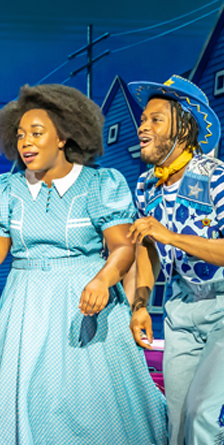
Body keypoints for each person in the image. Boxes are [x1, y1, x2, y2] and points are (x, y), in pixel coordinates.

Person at [0, 83, 167, 444]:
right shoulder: (7, 190)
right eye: (20, 135)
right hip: (25, 311)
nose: (26, 142)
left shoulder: (99, 184)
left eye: (37, 133)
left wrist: (103, 279)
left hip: (85, 302)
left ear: (64, 136)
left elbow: (122, 248)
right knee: (27, 404)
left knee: (86, 407)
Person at [127, 75, 224, 445]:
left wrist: (170, 236)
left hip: (221, 306)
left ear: (183, 129)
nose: (142, 127)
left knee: (203, 416)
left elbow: (163, 238)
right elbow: (146, 248)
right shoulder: (146, 185)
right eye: (142, 120)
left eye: (155, 120)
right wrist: (140, 305)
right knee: (178, 423)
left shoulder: (215, 177)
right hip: (180, 310)